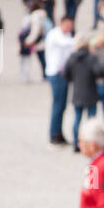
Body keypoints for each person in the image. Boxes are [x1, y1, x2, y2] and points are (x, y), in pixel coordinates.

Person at [63, 34, 102, 152]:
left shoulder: (72, 58)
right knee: (91, 120)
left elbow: (66, 74)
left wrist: (74, 79)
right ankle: (91, 143)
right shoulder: (91, 58)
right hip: (90, 92)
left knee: (77, 119)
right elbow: (99, 72)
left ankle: (77, 143)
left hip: (77, 92)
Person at [44, 15, 76, 145]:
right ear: (61, 24)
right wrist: (80, 41)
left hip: (64, 73)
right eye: (67, 26)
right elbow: (67, 44)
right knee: (58, 104)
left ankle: (59, 132)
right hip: (56, 73)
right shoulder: (54, 34)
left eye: (71, 26)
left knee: (62, 105)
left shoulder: (67, 35)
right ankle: (54, 133)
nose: (70, 28)